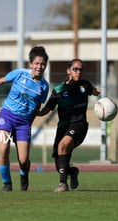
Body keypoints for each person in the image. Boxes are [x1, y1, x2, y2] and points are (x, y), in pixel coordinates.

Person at [0, 46, 50, 191]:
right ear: (31, 64)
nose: (39, 67)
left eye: (43, 64)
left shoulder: (44, 87)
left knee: (23, 160)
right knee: (3, 150)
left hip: (24, 123)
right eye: (37, 63)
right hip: (7, 115)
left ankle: (24, 174)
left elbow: (36, 109)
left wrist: (29, 124)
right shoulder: (20, 74)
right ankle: (7, 183)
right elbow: (1, 81)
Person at [37, 59, 99, 192]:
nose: (78, 72)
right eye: (75, 69)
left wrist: (103, 102)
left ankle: (62, 184)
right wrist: (35, 111)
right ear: (68, 70)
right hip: (63, 127)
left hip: (79, 125)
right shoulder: (59, 89)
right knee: (58, 164)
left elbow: (95, 92)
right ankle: (72, 172)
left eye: (81, 69)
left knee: (63, 146)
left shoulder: (85, 85)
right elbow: (46, 109)